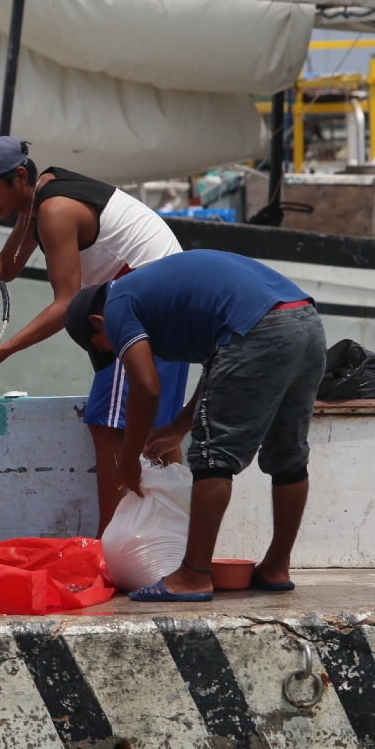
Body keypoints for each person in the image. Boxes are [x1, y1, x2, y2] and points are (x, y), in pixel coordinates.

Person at [0, 136, 188, 533]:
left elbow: (65, 304)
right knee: (156, 432)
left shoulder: (54, 209)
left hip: (149, 309)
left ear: (20, 176)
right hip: (163, 306)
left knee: (108, 425)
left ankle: (110, 547)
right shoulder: (40, 198)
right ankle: (173, 544)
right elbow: (6, 264)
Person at [65, 249, 326, 602]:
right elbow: (219, 361)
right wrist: (179, 426)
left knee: (211, 455)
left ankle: (193, 576)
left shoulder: (118, 305)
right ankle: (276, 567)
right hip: (305, 321)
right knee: (289, 454)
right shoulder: (156, 297)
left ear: (98, 322)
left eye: (104, 348)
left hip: (259, 328)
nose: (114, 355)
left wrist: (128, 460)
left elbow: (146, 386)